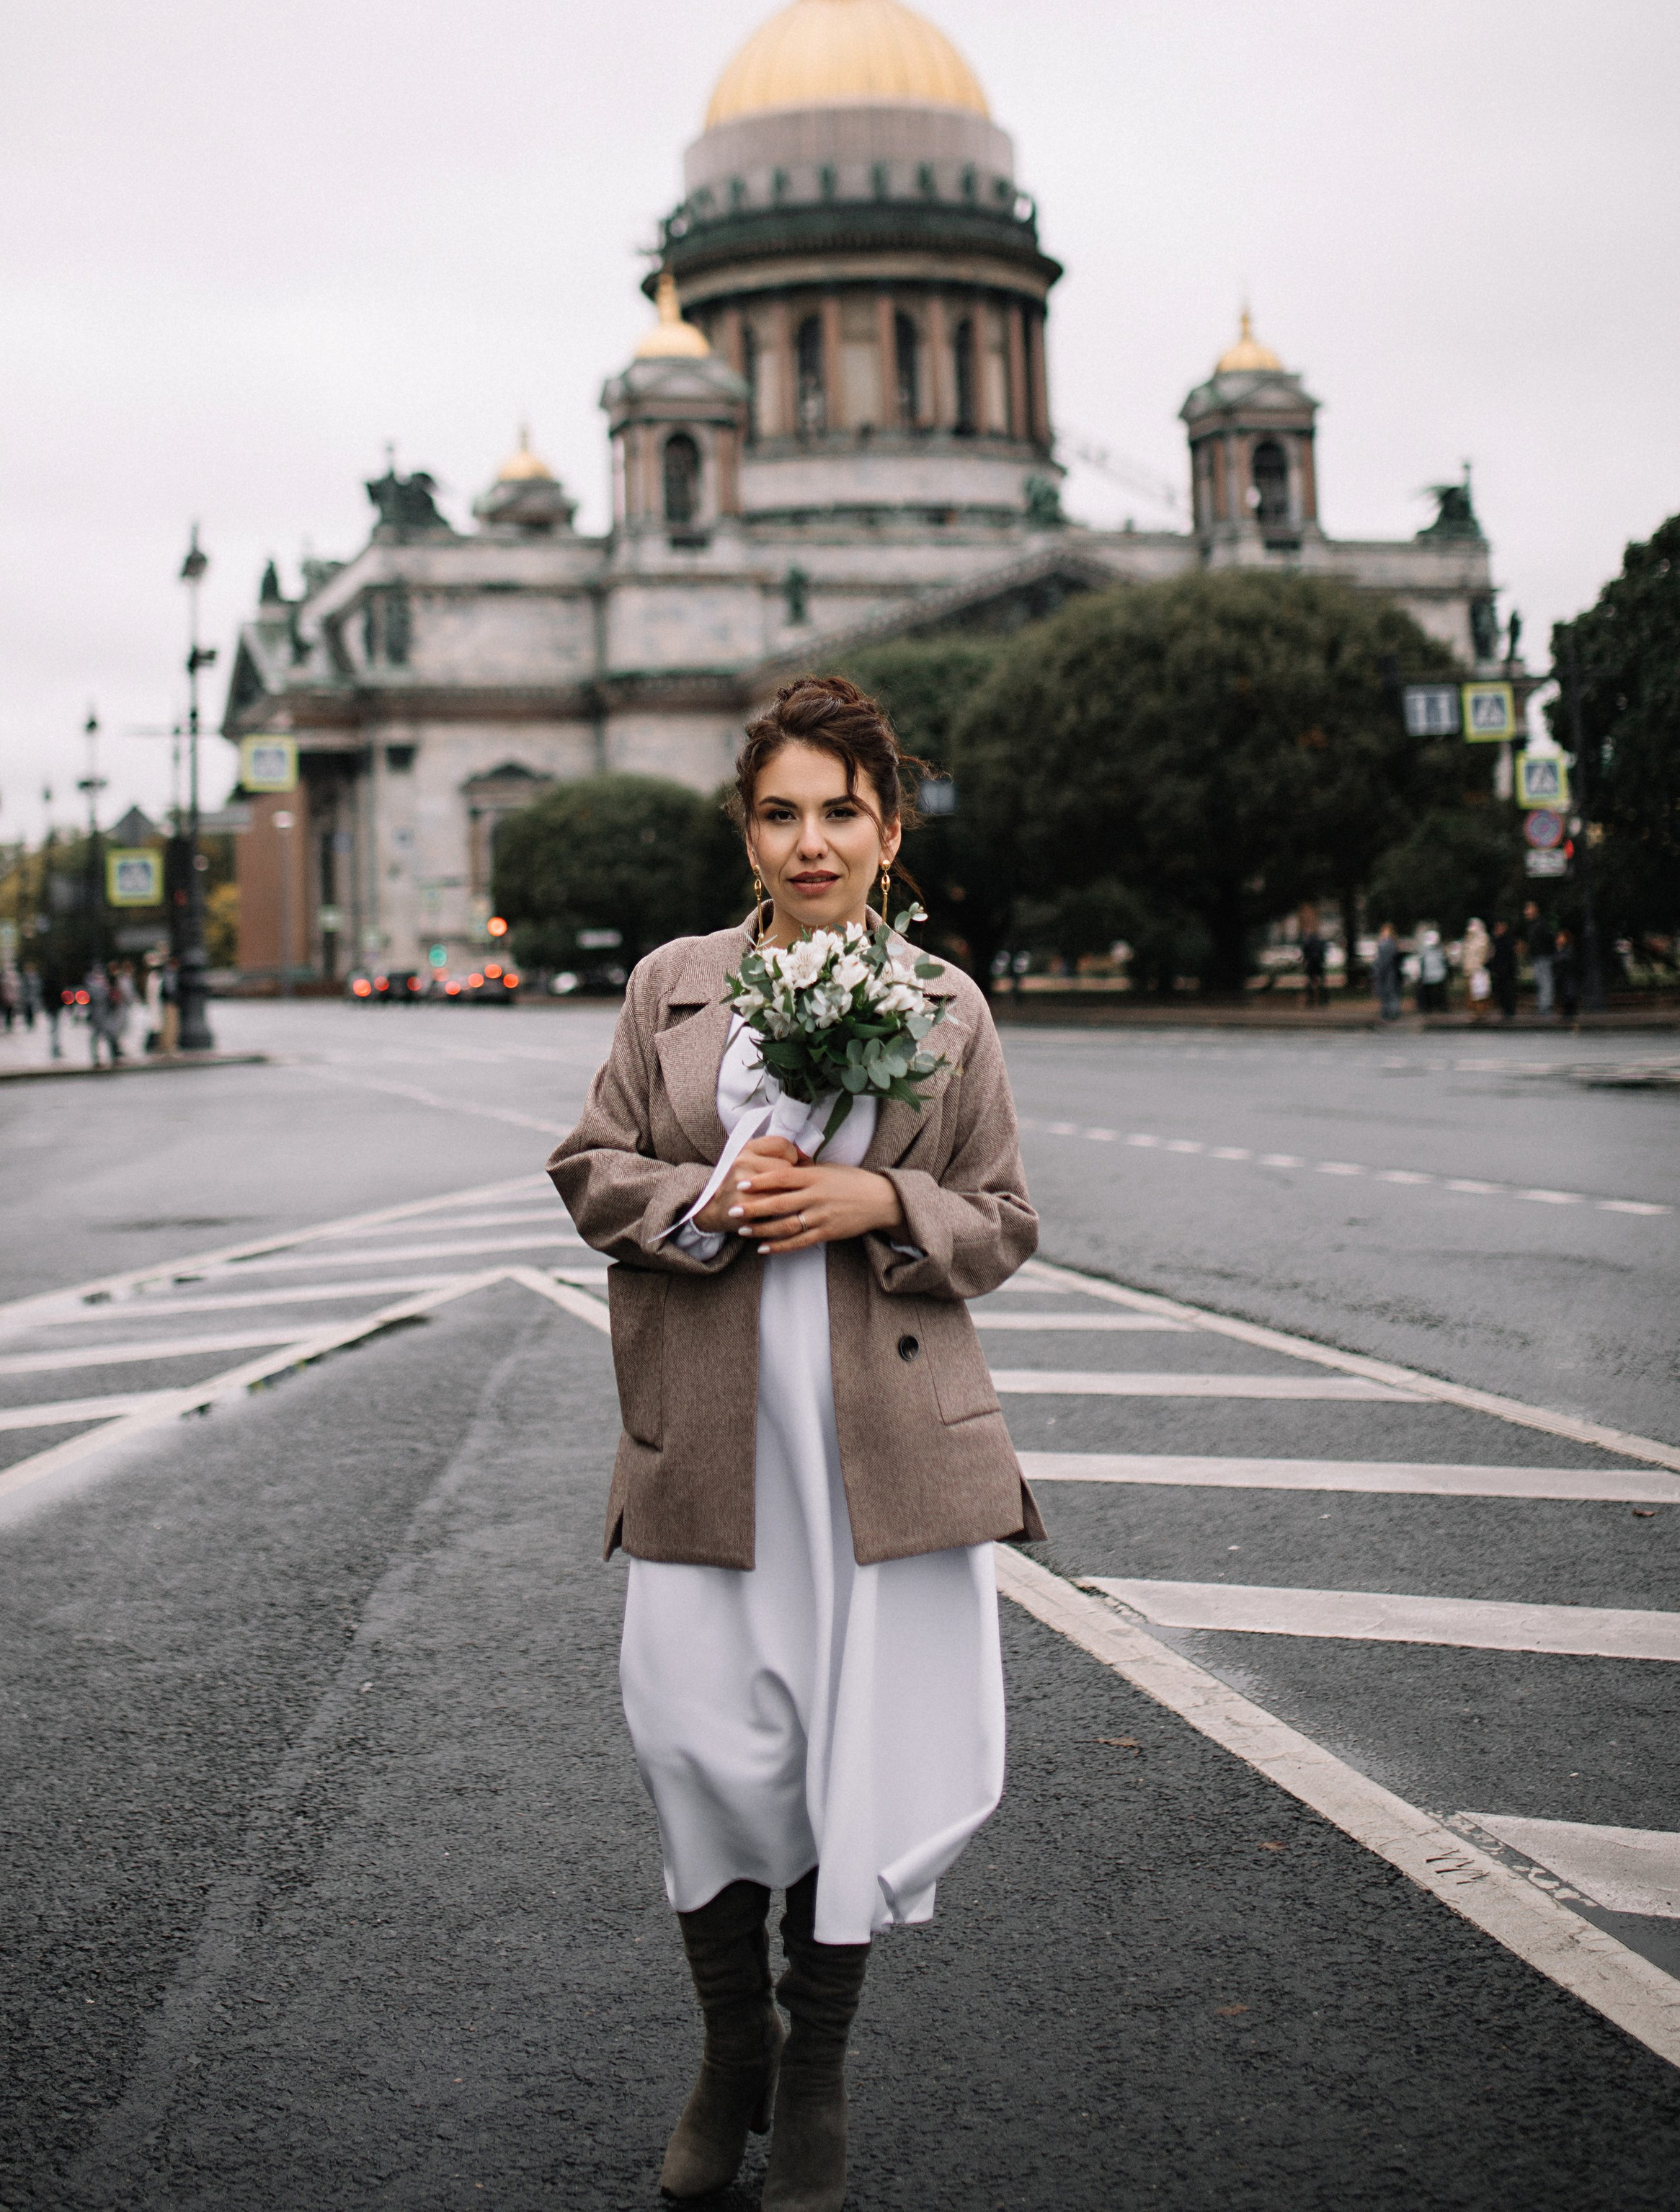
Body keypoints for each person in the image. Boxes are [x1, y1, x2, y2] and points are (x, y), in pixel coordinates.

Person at [549, 675, 1040, 2212]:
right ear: (744, 831)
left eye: (841, 812)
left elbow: (1006, 1219)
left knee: (852, 1762)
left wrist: (878, 1204)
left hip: (876, 1456)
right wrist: (707, 1205)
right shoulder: (671, 987)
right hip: (703, 1433)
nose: (810, 840)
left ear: (887, 834)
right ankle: (727, 2045)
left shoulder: (946, 1006)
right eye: (781, 813)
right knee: (693, 1742)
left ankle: (809, 2077)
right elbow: (587, 1164)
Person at [1523, 901, 1557, 1016]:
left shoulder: (1540, 924)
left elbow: (1547, 939)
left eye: (1528, 909)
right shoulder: (1533, 924)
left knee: (1545, 981)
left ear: (1535, 910)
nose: (1526, 912)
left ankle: (1546, 1006)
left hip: (1543, 956)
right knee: (1541, 981)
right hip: (1537, 956)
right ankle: (1543, 1005)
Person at [1462, 918, 1492, 1022]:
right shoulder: (1468, 939)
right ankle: (1475, 1014)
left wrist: (1479, 965)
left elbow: (1484, 954)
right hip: (1469, 970)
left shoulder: (1483, 938)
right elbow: (1466, 955)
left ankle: (1481, 1014)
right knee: (1471, 994)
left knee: (1480, 993)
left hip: (1478, 971)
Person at [1297, 906, 1328, 1009]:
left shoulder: (1308, 940)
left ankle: (1310, 1001)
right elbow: (1324, 950)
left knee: (1310, 982)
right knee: (1321, 982)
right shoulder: (1320, 940)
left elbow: (1305, 952)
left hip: (1311, 963)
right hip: (1319, 962)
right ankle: (1323, 1000)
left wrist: (1304, 961)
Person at [1372, 921, 1403, 1021]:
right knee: (1388, 993)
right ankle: (1389, 1012)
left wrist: (1378, 969)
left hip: (1387, 972)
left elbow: (1385, 959)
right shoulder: (1391, 942)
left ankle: (1390, 1012)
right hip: (1388, 971)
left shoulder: (1388, 943)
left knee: (1389, 993)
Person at [1489, 918, 1518, 1022]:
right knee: (1501, 992)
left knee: (1508, 992)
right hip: (1499, 971)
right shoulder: (1495, 939)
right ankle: (1504, 1011)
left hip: (1507, 971)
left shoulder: (1508, 940)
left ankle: (1509, 1012)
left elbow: (1510, 956)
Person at [1416, 926, 1448, 1017]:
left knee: (1437, 993)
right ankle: (1431, 1007)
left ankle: (1438, 1007)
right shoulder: (1426, 949)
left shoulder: (1439, 949)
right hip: (1431, 974)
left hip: (1437, 974)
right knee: (1430, 993)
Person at [1553, 926, 1580, 1021]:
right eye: (1558, 937)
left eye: (1561, 937)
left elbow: (1563, 961)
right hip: (1562, 978)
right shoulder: (1559, 950)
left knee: (1568, 996)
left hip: (1567, 977)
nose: (1559, 939)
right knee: (1564, 996)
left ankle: (1569, 1014)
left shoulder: (1568, 950)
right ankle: (1567, 1014)